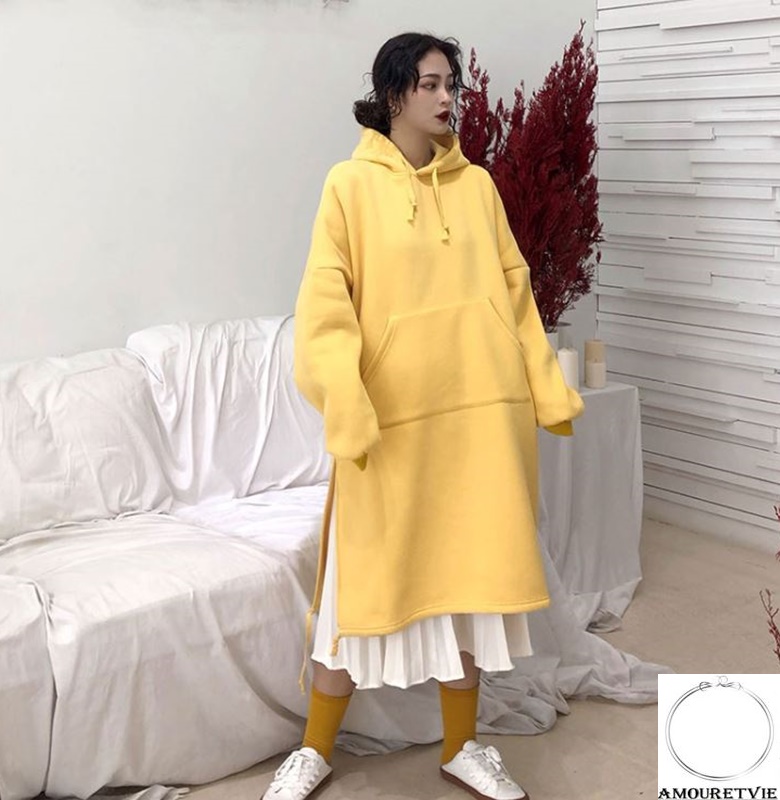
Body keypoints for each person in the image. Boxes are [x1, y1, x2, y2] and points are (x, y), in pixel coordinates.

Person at [264, 32, 584, 800]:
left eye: (451, 85)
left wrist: (545, 389)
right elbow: (324, 305)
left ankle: (463, 746)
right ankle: (313, 751)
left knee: (466, 589)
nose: (447, 98)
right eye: (431, 84)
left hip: (476, 425)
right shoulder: (348, 185)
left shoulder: (478, 188)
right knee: (357, 598)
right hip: (390, 430)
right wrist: (346, 403)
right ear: (393, 94)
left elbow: (514, 294)